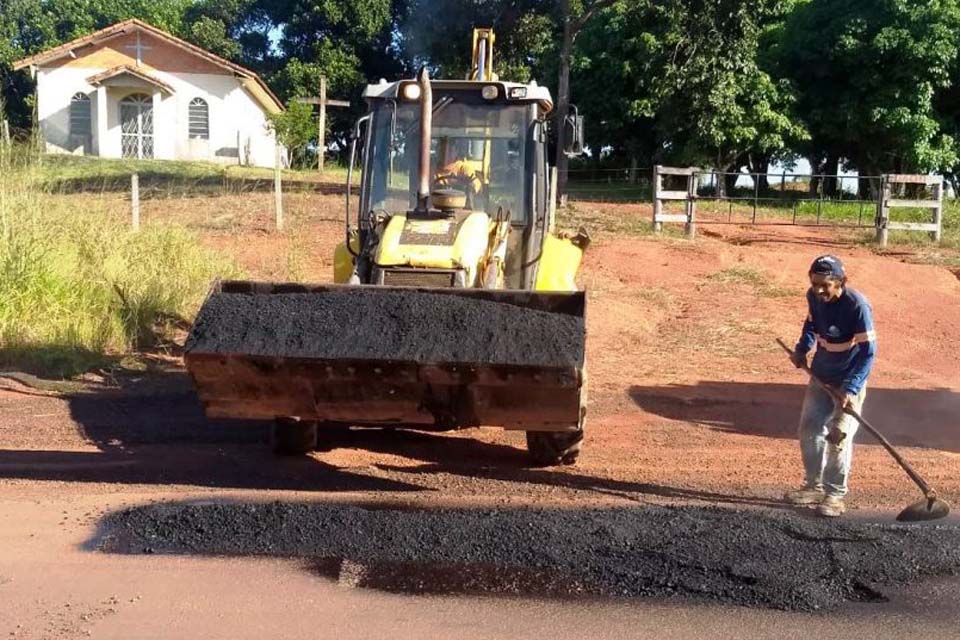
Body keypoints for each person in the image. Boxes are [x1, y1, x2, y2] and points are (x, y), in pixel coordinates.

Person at [785, 255, 876, 517]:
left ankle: (834, 495)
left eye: (825, 285)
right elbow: (812, 324)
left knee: (838, 434)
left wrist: (851, 388)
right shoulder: (813, 297)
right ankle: (813, 486)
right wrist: (802, 350)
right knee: (810, 428)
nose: (819, 290)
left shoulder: (857, 306)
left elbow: (868, 352)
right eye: (815, 284)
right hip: (821, 375)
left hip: (849, 380)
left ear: (841, 282)